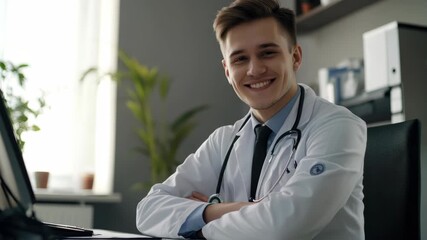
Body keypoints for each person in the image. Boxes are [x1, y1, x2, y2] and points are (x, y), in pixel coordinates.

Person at [136, 0, 367, 239]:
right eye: (240, 59)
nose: (254, 70)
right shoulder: (223, 141)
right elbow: (148, 210)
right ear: (227, 71)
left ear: (295, 57)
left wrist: (200, 223)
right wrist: (243, 210)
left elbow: (284, 227)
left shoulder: (337, 127)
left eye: (267, 53)